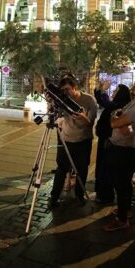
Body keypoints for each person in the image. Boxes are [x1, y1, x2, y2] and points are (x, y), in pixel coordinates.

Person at [103, 75, 135, 232]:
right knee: (122, 183)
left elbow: (115, 122)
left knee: (122, 184)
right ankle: (123, 210)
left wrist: (114, 116)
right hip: (123, 145)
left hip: (123, 149)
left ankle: (122, 219)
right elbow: (128, 127)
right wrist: (125, 125)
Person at [49, 76, 98, 207]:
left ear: (75, 87)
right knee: (61, 169)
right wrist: (52, 103)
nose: (65, 93)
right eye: (62, 90)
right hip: (66, 139)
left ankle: (79, 195)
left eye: (67, 89)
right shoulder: (63, 100)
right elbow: (56, 115)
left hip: (83, 140)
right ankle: (54, 196)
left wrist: (82, 117)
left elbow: (91, 123)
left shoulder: (89, 100)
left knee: (81, 169)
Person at [94, 83, 131, 204]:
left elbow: (106, 103)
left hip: (109, 141)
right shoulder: (116, 105)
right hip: (105, 139)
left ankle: (106, 196)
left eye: (116, 91)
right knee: (102, 168)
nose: (113, 92)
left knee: (105, 170)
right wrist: (100, 90)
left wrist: (102, 91)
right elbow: (103, 101)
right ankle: (103, 194)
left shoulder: (119, 106)